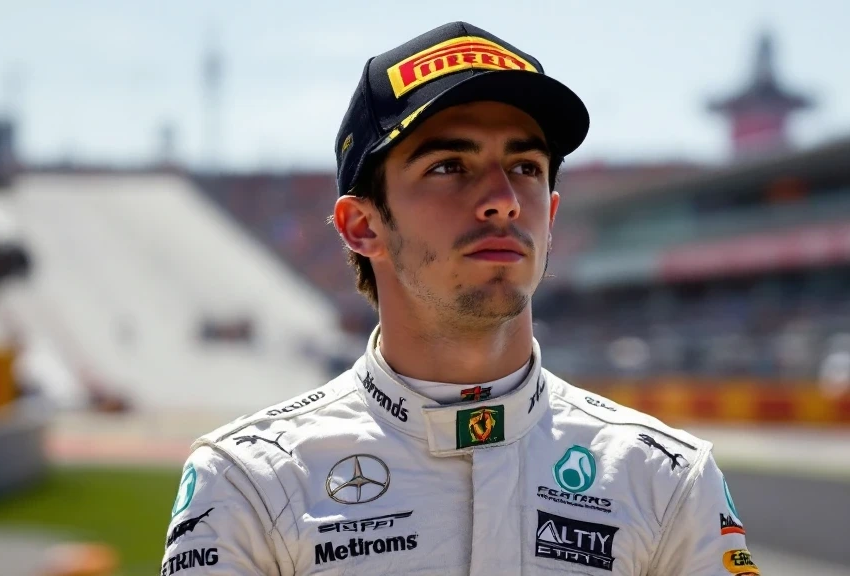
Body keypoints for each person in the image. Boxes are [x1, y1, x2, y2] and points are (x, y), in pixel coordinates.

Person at [159, 21, 757, 576]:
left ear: (550, 213)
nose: (502, 199)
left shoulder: (667, 478)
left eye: (525, 165)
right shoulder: (250, 483)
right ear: (362, 226)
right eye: (449, 166)